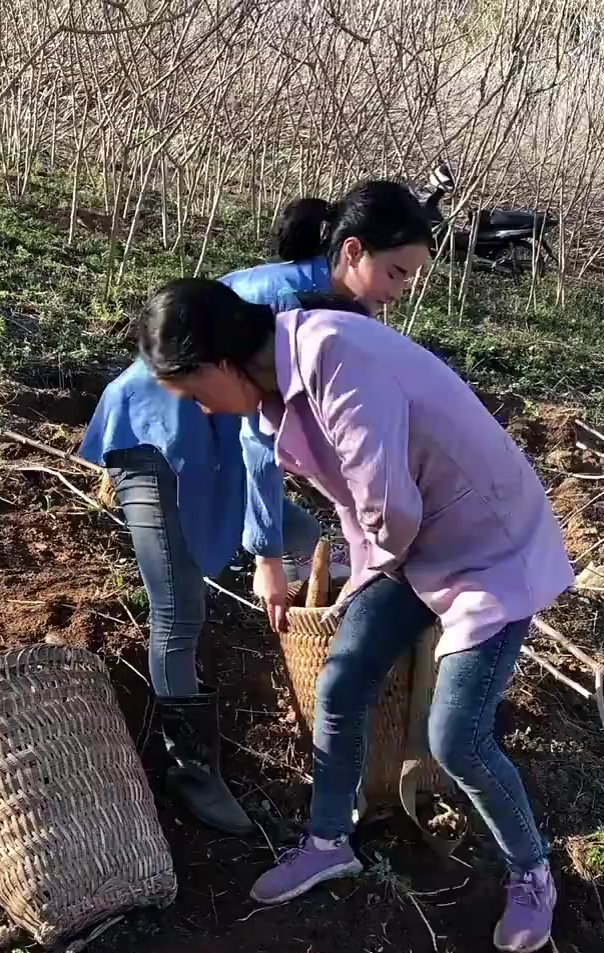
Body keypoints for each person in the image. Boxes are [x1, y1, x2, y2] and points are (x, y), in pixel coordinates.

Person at [136, 278, 574, 953]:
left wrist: (359, 576)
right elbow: (354, 499)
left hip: (486, 548)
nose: (204, 411)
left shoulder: (335, 355)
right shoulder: (273, 390)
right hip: (416, 545)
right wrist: (326, 562)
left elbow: (388, 507)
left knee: (458, 737)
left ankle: (532, 871)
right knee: (342, 682)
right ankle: (326, 841)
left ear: (219, 362)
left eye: (195, 395)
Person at [80, 181, 433, 837]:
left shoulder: (335, 306)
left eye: (409, 276)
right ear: (351, 252)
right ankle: (191, 770)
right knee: (180, 608)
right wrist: (265, 555)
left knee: (309, 542)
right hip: (159, 436)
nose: (399, 289)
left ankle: (303, 673)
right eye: (394, 272)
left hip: (217, 443)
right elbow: (259, 441)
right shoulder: (284, 305)